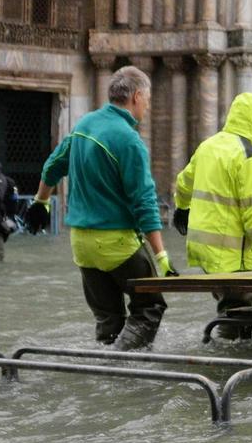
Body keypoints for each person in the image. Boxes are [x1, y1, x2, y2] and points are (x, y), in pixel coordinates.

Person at [27, 66, 170, 350]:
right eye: (148, 101)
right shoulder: (129, 140)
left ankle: (105, 365)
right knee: (149, 307)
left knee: (108, 318)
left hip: (81, 243)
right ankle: (118, 361)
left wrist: (40, 202)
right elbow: (144, 201)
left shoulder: (84, 125)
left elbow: (53, 165)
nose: (147, 107)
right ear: (137, 97)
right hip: (116, 243)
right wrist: (161, 254)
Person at [173, 92, 252, 341]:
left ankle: (222, 350)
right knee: (238, 311)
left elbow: (183, 182)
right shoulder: (249, 156)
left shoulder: (208, 146)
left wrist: (182, 207)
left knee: (227, 305)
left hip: (204, 251)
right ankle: (227, 361)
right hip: (231, 253)